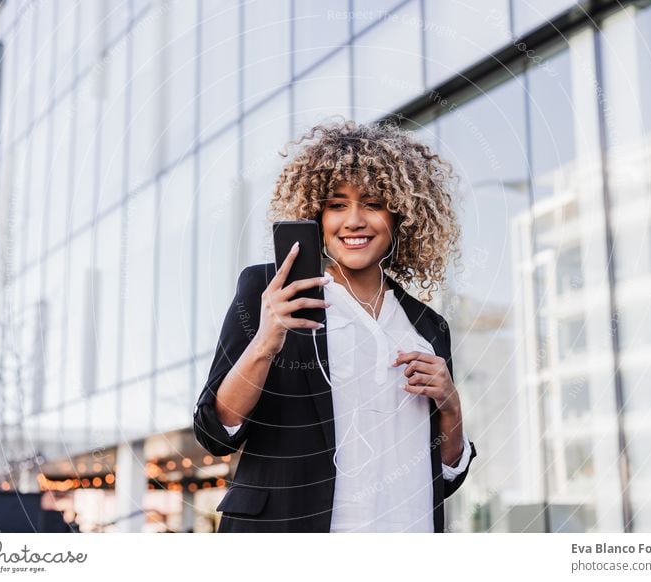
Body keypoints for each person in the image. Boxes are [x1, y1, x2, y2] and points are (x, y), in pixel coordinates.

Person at [194, 119, 476, 532]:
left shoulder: (429, 327)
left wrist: (451, 408)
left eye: (373, 203)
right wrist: (265, 341)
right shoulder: (271, 292)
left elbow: (443, 477)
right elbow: (215, 433)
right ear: (315, 214)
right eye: (337, 204)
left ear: (400, 214)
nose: (354, 221)